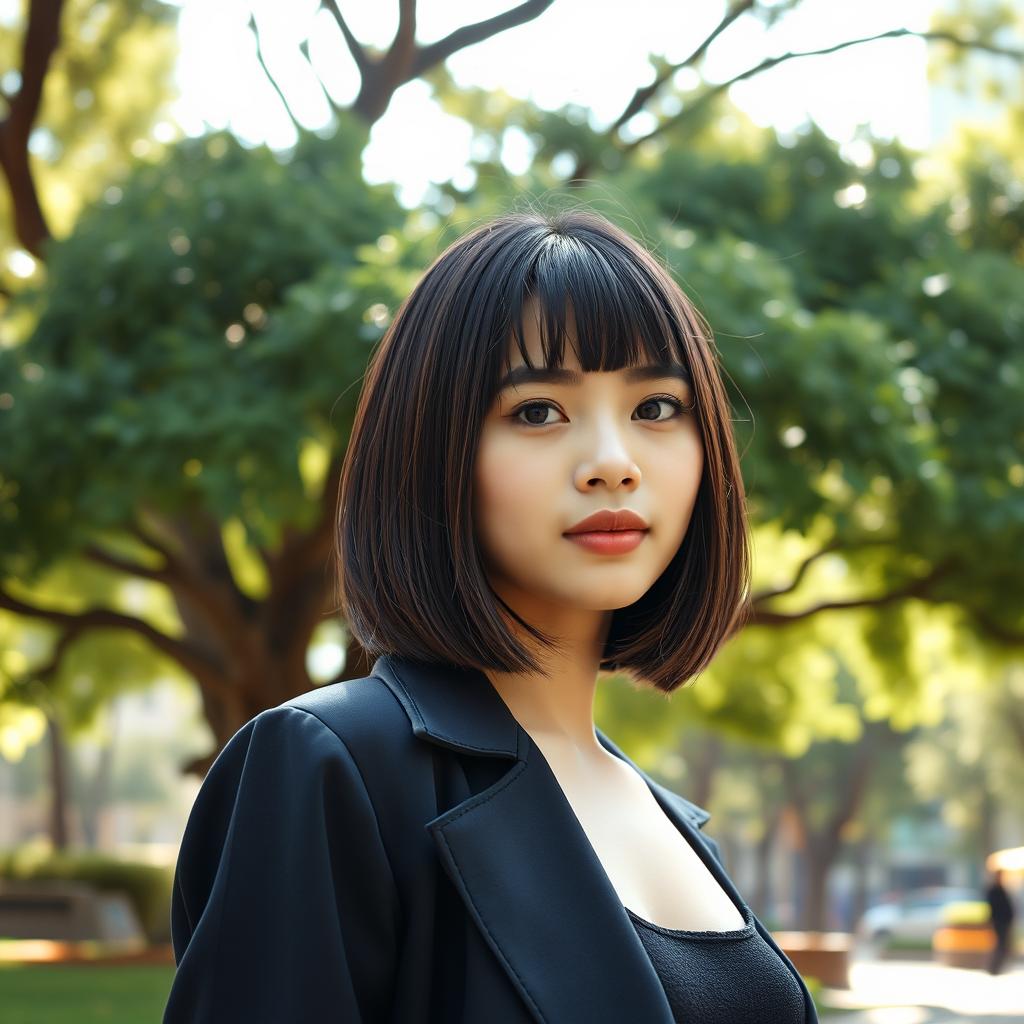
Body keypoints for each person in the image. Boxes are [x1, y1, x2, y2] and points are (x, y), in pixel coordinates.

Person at [163, 207, 819, 1023]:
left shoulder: (670, 817)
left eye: (656, 408)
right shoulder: (331, 769)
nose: (613, 463)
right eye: (538, 410)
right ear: (436, 450)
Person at [985, 867, 1017, 975]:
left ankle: (997, 968)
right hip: (999, 921)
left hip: (1004, 921)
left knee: (1003, 945)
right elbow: (994, 907)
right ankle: (993, 968)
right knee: (1000, 945)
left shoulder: (1001, 888)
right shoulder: (994, 890)